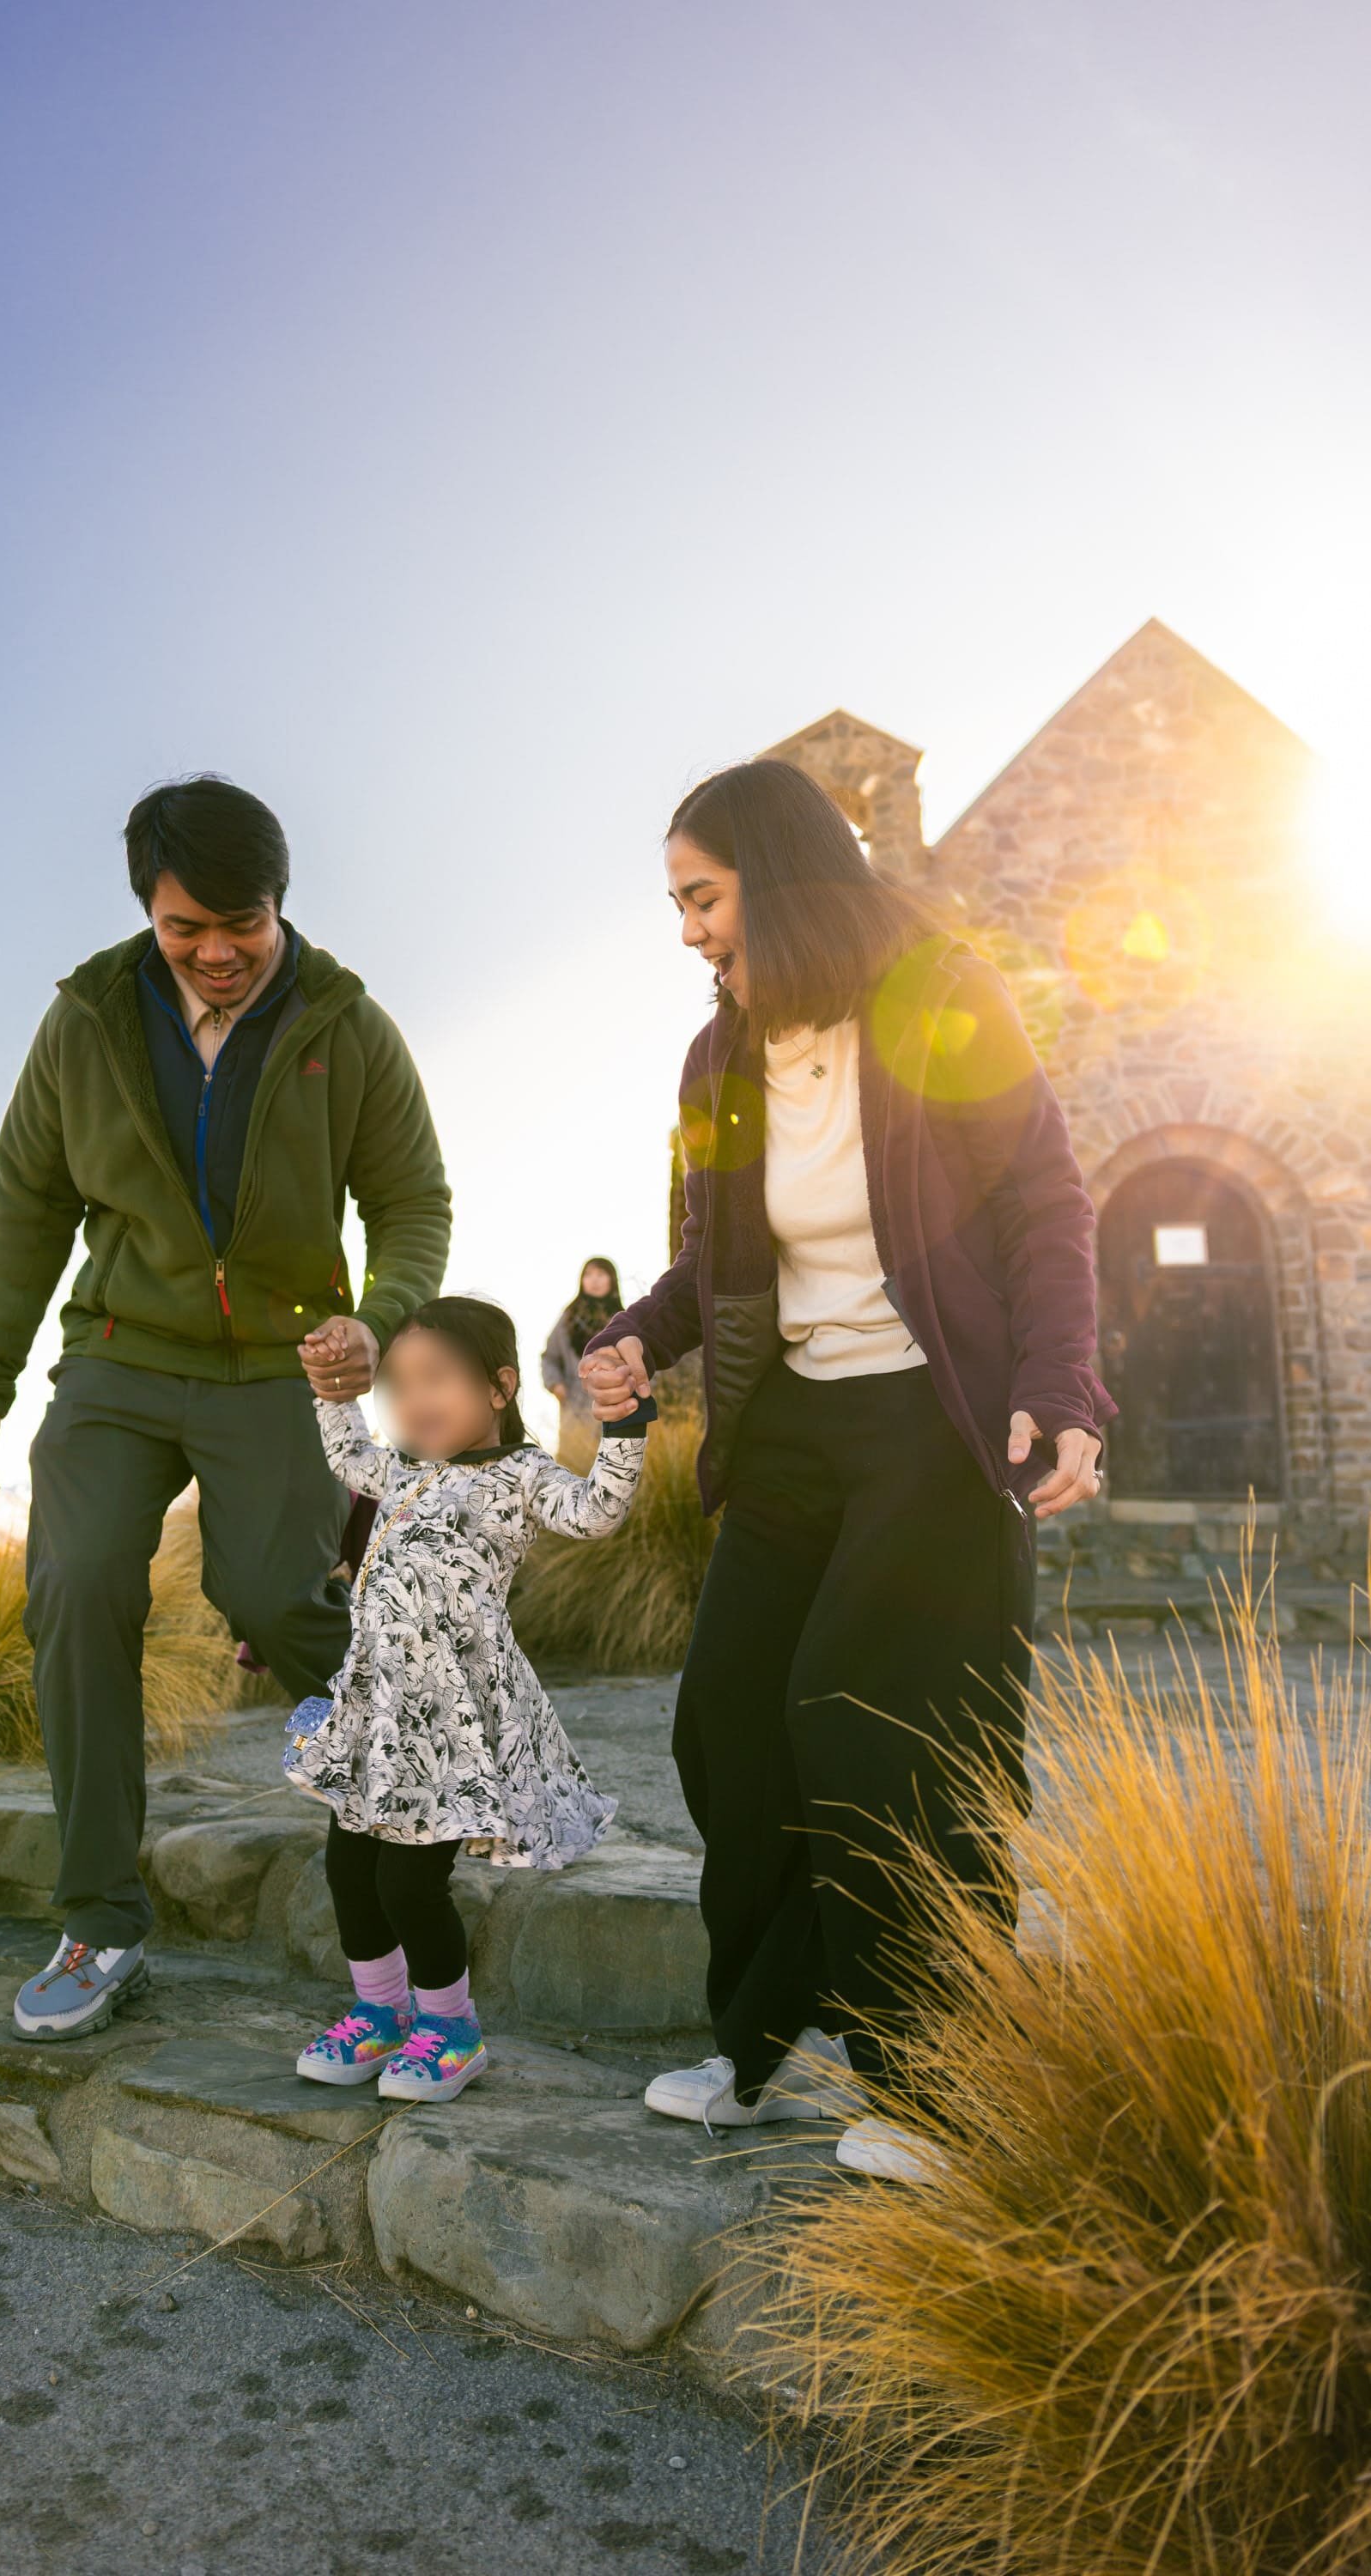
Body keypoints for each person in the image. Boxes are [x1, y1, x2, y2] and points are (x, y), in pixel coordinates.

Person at [582, 759, 1111, 2180]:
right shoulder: (719, 1059)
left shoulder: (941, 993)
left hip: (936, 1428)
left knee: (884, 1740)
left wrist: (1062, 1392)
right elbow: (712, 1259)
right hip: (794, 1434)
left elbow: (1044, 1201)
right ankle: (762, 2039)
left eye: (702, 897)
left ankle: (937, 2087)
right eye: (678, 906)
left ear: (781, 873)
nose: (689, 930)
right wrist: (636, 1336)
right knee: (732, 1725)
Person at [0, 774, 452, 2042]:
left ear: (279, 906)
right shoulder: (88, 1021)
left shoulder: (345, 1022)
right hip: (118, 1358)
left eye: (245, 923)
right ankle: (100, 1924)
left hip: (278, 1364)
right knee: (80, 1583)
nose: (218, 952)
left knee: (278, 1595)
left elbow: (414, 1203)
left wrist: (371, 1321)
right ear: (147, 917)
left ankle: (431, 1770)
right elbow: (26, 1214)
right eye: (186, 929)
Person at [283, 1296, 652, 2101]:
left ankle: (450, 2031)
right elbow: (347, 1454)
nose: (414, 1401)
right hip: (379, 1711)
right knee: (350, 1867)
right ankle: (379, 2014)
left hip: (449, 1721)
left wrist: (624, 1425)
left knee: (407, 1884)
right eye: (400, 1385)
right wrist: (332, 1390)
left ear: (498, 1387)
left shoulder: (520, 1475)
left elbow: (595, 1513)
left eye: (437, 1380)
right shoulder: (399, 1469)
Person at [540, 1257, 622, 1467]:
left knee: (612, 1468)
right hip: (574, 1407)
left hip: (613, 1407)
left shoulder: (622, 1319)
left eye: (600, 1274)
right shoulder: (569, 1318)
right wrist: (556, 1385)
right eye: (589, 1275)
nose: (594, 1280)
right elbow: (549, 1357)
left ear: (612, 1280)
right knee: (573, 1469)